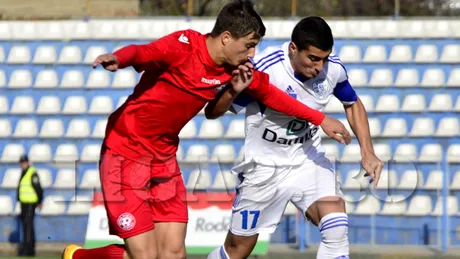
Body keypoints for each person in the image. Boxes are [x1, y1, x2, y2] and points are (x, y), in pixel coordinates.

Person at [61, 2, 351, 259]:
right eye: (249, 45)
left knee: (173, 253)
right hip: (124, 154)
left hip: (162, 158)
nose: (253, 53)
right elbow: (144, 52)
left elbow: (272, 96)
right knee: (146, 255)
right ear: (226, 38)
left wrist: (319, 119)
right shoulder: (183, 47)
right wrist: (119, 58)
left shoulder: (235, 71)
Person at [205, 16, 384, 259]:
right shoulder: (266, 69)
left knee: (336, 225)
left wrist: (368, 151)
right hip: (263, 168)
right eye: (313, 58)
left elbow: (352, 103)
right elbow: (214, 111)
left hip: (306, 161)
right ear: (293, 48)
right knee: (238, 250)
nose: (319, 66)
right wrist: (234, 90)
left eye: (323, 59)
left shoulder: (332, 70)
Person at [16, 154, 43, 257]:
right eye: (21, 162)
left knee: (28, 226)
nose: (23, 164)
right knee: (26, 226)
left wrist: (39, 201)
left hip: (31, 203)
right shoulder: (23, 173)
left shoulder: (32, 173)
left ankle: (29, 249)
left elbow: (38, 188)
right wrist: (19, 200)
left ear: (27, 162)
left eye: (24, 162)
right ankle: (27, 248)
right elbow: (20, 188)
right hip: (24, 203)